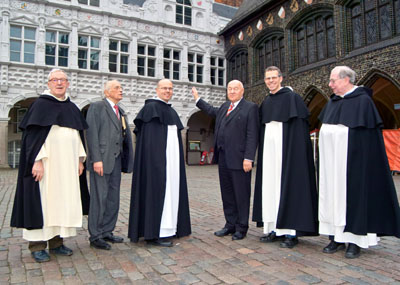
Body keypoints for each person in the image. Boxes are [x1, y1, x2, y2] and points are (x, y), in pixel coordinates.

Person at [319, 66, 400, 258]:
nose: (330, 85)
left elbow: (367, 142)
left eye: (333, 81)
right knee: (333, 196)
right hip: (332, 164)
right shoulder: (333, 101)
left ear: (346, 79)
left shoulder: (363, 102)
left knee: (354, 197)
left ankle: (355, 240)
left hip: (353, 163)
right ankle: (336, 236)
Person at [10, 69, 89, 263]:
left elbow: (77, 135)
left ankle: (56, 242)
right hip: (46, 166)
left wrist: (80, 159)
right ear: (49, 83)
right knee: (43, 202)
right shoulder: (40, 105)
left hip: (67, 166)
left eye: (63, 80)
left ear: (68, 83)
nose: (59, 83)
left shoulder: (72, 107)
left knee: (62, 202)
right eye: (55, 80)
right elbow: (32, 139)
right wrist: (36, 161)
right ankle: (37, 245)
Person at [252, 66, 318, 248]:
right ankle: (273, 227)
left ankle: (290, 231)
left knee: (288, 186)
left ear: (281, 78)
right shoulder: (266, 102)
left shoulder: (292, 98)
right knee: (270, 186)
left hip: (287, 152)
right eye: (267, 78)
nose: (271, 81)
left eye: (274, 78)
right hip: (269, 153)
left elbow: (298, 132)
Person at [192, 80, 259, 240]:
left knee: (241, 194)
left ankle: (241, 227)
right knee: (227, 194)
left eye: (235, 89)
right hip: (223, 159)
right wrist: (197, 99)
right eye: (230, 89)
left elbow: (252, 134)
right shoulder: (224, 107)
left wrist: (249, 158)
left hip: (240, 159)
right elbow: (211, 110)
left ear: (242, 91)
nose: (232, 91)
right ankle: (230, 224)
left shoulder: (250, 108)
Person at [128, 79, 191, 247]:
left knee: (171, 190)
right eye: (164, 88)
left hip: (171, 163)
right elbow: (149, 141)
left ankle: (170, 227)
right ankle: (155, 232)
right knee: (158, 191)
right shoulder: (150, 108)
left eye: (170, 89)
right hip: (156, 163)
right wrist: (156, 161)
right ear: (157, 90)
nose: (167, 91)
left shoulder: (171, 111)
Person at [86, 80, 134, 250]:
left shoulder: (119, 110)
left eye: (121, 87)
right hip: (101, 161)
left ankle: (107, 231)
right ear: (107, 92)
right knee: (99, 198)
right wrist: (96, 159)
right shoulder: (97, 107)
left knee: (113, 198)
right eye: (117, 88)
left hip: (116, 160)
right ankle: (96, 235)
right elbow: (91, 134)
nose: (121, 90)